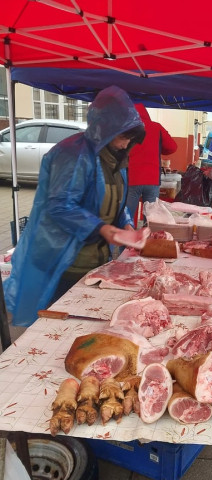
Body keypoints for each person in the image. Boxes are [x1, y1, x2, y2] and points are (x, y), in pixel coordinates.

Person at [4, 85, 145, 327]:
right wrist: (103, 229)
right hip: (63, 258)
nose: (125, 144)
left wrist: (127, 224)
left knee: (82, 321)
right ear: (106, 128)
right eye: (122, 137)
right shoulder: (72, 154)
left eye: (129, 138)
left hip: (94, 259)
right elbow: (59, 205)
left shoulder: (116, 160)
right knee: (57, 324)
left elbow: (117, 202)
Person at [126, 103, 177, 218]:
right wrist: (158, 149)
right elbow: (172, 147)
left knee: (128, 216)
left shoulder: (127, 127)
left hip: (132, 178)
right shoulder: (156, 127)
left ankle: (130, 235)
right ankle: (148, 235)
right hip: (152, 178)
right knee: (151, 218)